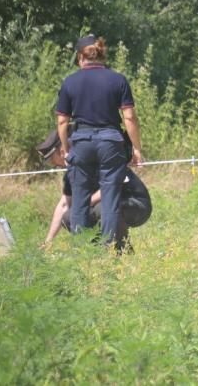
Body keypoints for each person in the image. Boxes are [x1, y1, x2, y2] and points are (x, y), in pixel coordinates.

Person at [53, 35, 144, 249]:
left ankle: (82, 251)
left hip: (82, 142)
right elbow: (129, 117)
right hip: (111, 142)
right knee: (110, 201)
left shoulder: (70, 81)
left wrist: (67, 150)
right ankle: (108, 250)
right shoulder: (118, 79)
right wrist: (137, 149)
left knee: (80, 200)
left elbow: (62, 121)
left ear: (80, 57)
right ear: (102, 55)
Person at [38, 130, 151, 245]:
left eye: (52, 160)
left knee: (102, 209)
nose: (55, 165)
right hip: (108, 205)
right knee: (68, 217)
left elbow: (113, 185)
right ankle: (96, 252)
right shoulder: (73, 170)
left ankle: (121, 250)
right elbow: (64, 205)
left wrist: (85, 203)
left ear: (62, 149)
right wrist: (48, 241)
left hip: (136, 203)